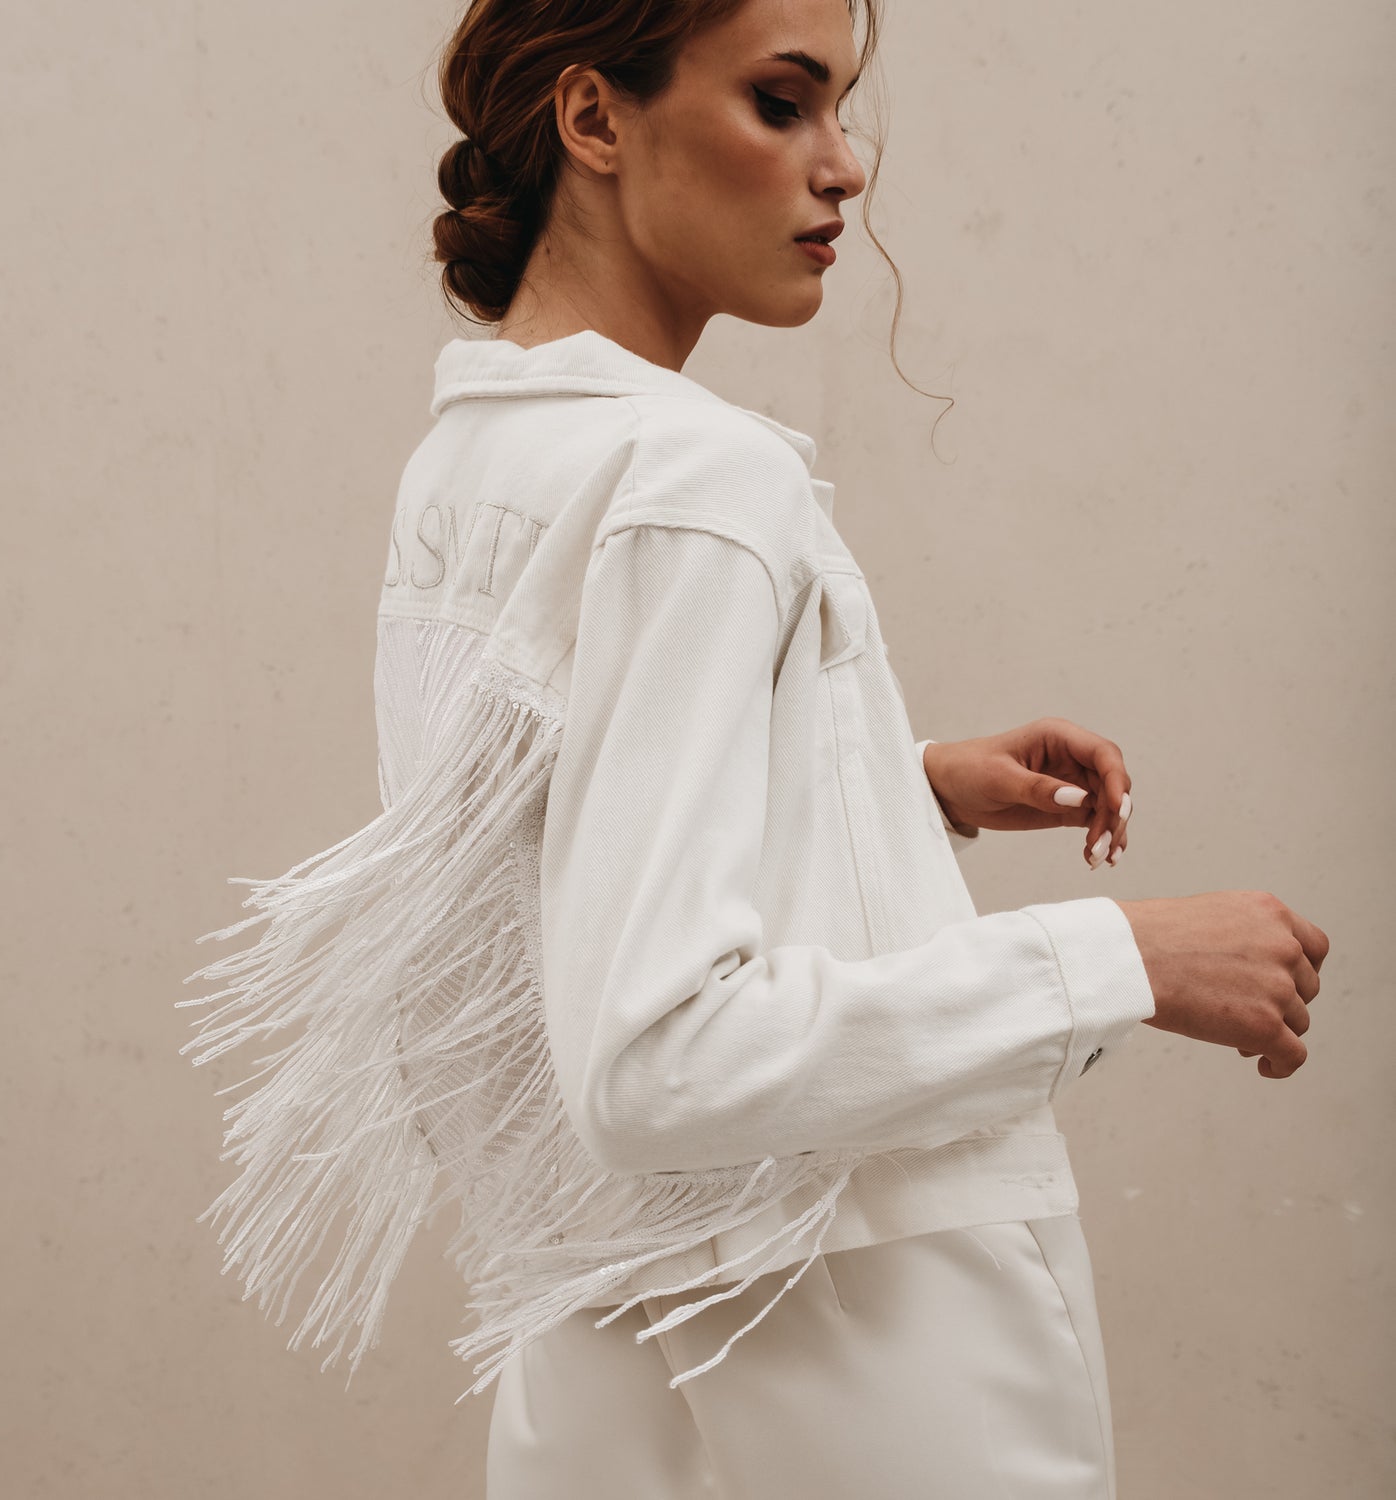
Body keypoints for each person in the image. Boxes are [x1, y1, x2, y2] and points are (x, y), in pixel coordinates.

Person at [178, 1, 1330, 1496]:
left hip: (609, 1336)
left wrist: (889, 779)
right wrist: (1126, 959)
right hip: (862, 1342)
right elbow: (657, 1059)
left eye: (841, 110)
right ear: (594, 120)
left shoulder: (479, 460)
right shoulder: (698, 478)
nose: (842, 166)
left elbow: (550, 863)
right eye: (782, 104)